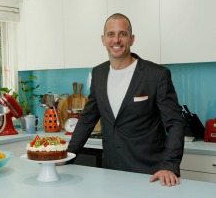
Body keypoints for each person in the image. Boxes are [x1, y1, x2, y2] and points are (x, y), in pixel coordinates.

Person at [66, 13, 185, 187]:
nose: (116, 39)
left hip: (151, 173)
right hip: (112, 172)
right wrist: (67, 156)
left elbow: (175, 123)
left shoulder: (156, 75)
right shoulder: (98, 74)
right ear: (103, 39)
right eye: (111, 34)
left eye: (122, 34)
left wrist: (170, 166)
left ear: (132, 38)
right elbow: (87, 119)